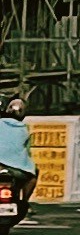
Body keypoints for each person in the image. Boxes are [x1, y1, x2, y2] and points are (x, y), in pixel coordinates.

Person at [0, 91, 35, 222]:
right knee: (32, 177)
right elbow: (27, 152)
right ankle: (25, 202)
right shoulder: (24, 129)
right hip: (19, 170)